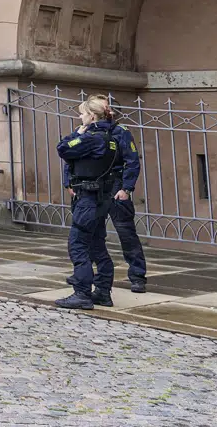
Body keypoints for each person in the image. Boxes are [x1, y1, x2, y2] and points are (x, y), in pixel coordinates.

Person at [63, 103, 147, 293]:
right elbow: (72, 158)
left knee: (125, 232)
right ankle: (91, 277)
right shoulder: (85, 131)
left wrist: (126, 188)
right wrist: (68, 182)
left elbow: (132, 161)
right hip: (91, 189)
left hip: (115, 185)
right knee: (93, 234)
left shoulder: (120, 131)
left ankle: (137, 275)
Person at [55, 94, 118, 309]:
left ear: (91, 116)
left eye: (82, 113)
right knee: (97, 244)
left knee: (78, 245)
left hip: (87, 200)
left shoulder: (91, 138)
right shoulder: (111, 139)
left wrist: (78, 132)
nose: (80, 117)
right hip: (101, 198)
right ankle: (102, 291)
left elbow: (63, 148)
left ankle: (81, 293)